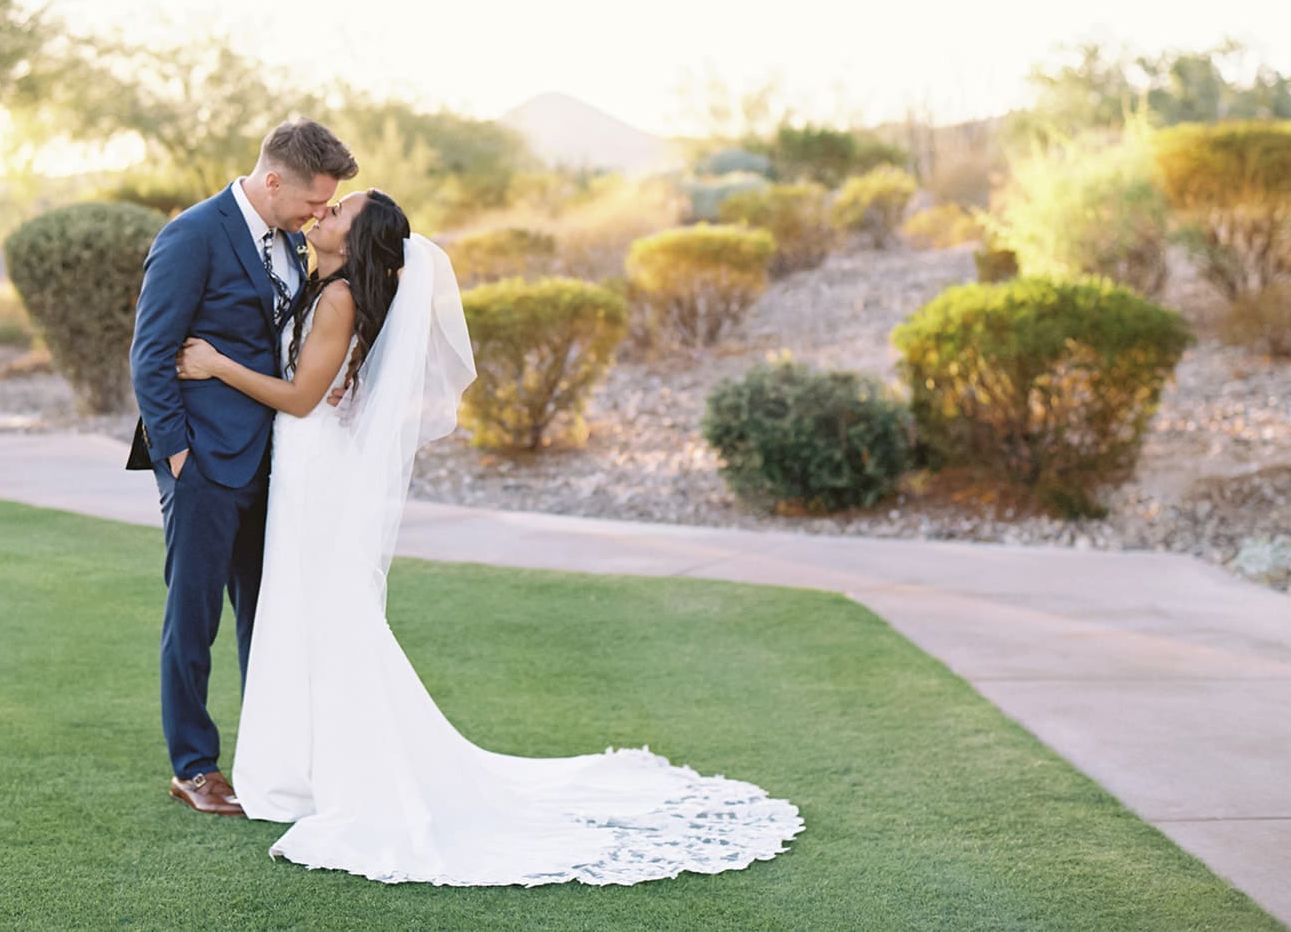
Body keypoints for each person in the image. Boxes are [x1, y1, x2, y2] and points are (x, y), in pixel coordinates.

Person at [174, 189, 804, 885]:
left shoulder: (339, 299)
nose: (320, 217)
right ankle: (301, 765)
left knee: (326, 619)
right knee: (304, 616)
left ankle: (338, 771)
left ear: (357, 244)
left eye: (336, 214)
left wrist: (215, 366)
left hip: (313, 469)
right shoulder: (322, 283)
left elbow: (300, 397)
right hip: (304, 466)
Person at [128, 118, 358, 816]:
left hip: (275, 464)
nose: (320, 214)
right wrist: (177, 456)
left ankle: (268, 755)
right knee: (192, 617)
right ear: (273, 179)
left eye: (328, 207)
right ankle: (193, 765)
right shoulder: (193, 234)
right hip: (202, 462)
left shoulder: (292, 244)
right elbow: (150, 353)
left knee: (267, 615)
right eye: (314, 201)